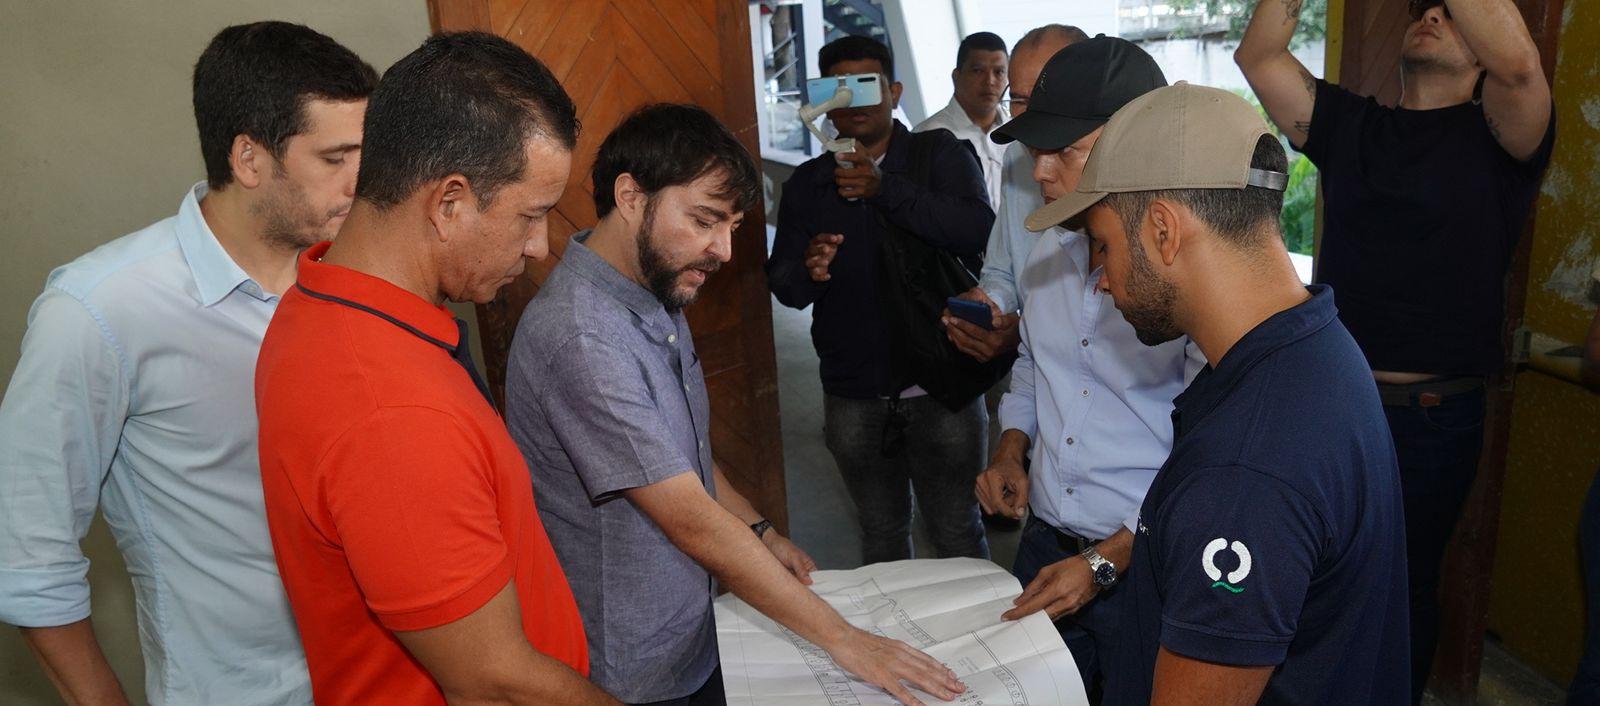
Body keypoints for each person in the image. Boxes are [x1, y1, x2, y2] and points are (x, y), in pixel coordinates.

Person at [509, 103, 966, 706]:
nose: (723, 251)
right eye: (704, 221)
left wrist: (759, 529)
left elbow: (684, 455)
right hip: (627, 666)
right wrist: (846, 640)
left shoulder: (656, 289)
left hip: (692, 631)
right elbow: (687, 518)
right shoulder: (584, 338)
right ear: (630, 196)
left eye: (731, 226)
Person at [0, 22, 374, 705]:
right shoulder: (98, 310)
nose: (362, 182)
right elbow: (28, 560)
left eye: (365, 154)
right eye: (335, 158)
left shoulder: (357, 281)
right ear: (249, 159)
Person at [254, 33, 613, 705]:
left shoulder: (322, 294)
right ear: (448, 203)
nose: (539, 248)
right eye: (530, 216)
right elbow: (494, 683)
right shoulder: (390, 412)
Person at [1030, 83, 1409, 705]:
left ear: (1162, 232)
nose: (1101, 282)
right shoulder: (1315, 347)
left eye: (1106, 245)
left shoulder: (1243, 469)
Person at [1235, 0, 1554, 699]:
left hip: (1430, 418)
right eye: (1427, 9)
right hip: (1329, 403)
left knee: (1401, 591)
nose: (1434, 15)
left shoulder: (1504, 136)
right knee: (1306, 580)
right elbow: (1258, 57)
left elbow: (1522, 63)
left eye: (1453, 13)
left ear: (1480, 56)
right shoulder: (1354, 126)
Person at [968, 37, 1202, 701]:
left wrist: (1109, 558)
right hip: (1046, 545)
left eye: (1064, 151)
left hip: (1144, 558)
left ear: (1134, 146)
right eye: (1035, 148)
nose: (1039, 173)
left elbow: (1206, 458)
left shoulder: (1188, 288)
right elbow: (1032, 369)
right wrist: (1012, 451)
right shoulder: (1045, 252)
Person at [767, 35, 995, 564]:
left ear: (893, 92)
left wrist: (884, 189)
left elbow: (977, 230)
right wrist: (808, 270)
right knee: (883, 535)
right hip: (853, 394)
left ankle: (978, 648)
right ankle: (895, 647)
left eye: (865, 86)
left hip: (944, 388)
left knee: (958, 534)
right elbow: (784, 285)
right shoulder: (808, 184)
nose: (851, 101)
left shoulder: (939, 154)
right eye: (835, 89)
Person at [943, 24, 1087, 366]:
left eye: (1045, 95)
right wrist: (988, 305)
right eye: (1019, 100)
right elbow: (1002, 268)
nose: (1030, 115)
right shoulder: (1016, 157)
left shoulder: (1132, 174)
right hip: (1038, 379)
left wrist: (1025, 329)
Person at [914, 31, 1009, 212]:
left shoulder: (1017, 134)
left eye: (999, 72)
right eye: (978, 71)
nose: (989, 81)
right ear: (956, 77)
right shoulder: (927, 135)